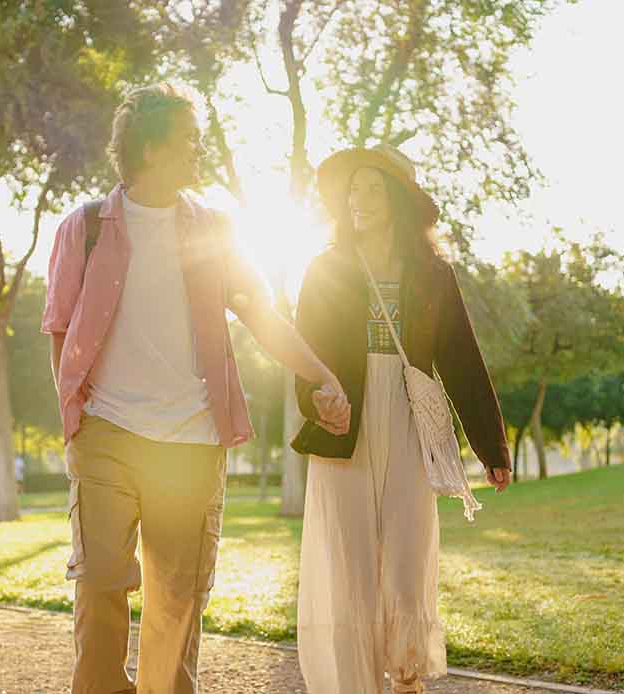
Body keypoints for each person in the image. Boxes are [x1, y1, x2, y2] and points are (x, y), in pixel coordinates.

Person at [41, 83, 351, 694]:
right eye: (189, 138)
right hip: (107, 433)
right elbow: (58, 328)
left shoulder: (215, 229)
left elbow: (262, 313)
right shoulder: (85, 228)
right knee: (101, 580)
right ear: (151, 147)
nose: (198, 150)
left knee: (176, 602)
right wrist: (74, 414)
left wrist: (320, 373)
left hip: (191, 440)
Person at [290, 144, 513, 694]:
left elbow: (462, 360)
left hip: (409, 420)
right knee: (352, 570)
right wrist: (316, 399)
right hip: (346, 427)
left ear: (398, 197)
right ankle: (356, 684)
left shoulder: (432, 275)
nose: (359, 199)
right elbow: (303, 353)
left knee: (408, 561)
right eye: (353, 189)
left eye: (373, 188)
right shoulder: (325, 268)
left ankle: (408, 678)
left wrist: (492, 449)